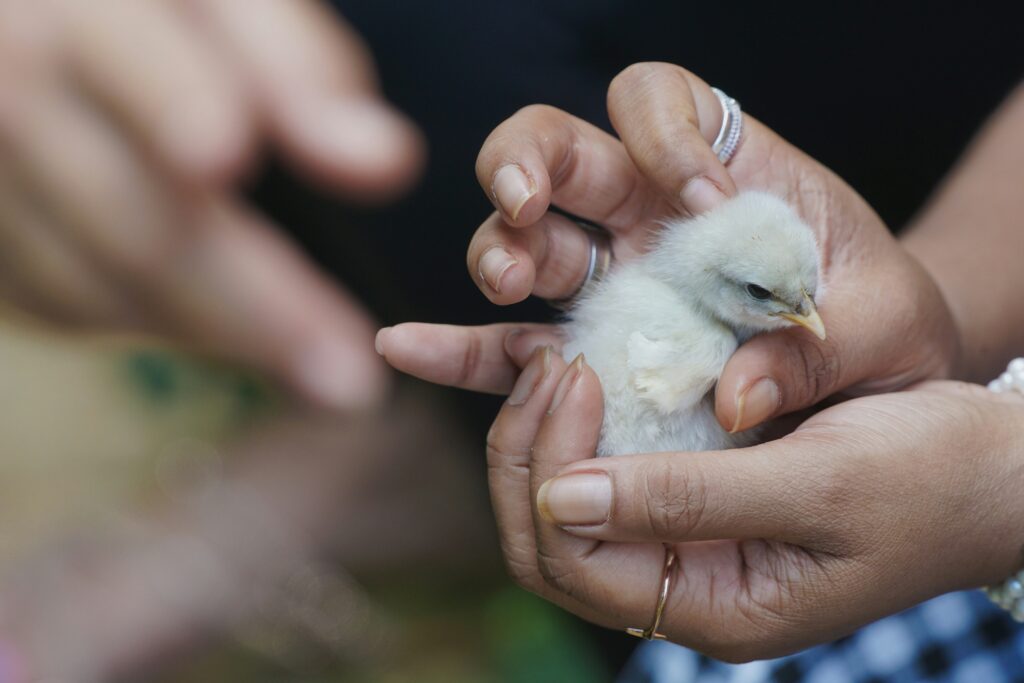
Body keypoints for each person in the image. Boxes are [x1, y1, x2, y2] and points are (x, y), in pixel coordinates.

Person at [377, 63, 1024, 680]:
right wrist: (947, 313)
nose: (807, 316)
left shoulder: (701, 316)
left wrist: (1002, 491)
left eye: (805, 297)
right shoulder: (694, 330)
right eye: (775, 298)